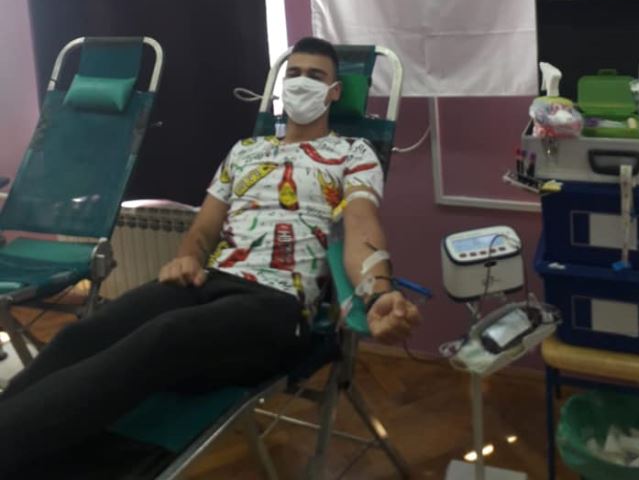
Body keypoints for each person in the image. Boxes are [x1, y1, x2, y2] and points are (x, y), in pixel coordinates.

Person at [0, 36, 421, 474]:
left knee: (162, 338)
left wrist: (378, 292)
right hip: (207, 282)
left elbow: (360, 225)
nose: (301, 83)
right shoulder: (246, 151)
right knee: (81, 336)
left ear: (334, 93)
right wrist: (187, 256)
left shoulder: (354, 153)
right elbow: (203, 228)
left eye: (315, 76)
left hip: (278, 305)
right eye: (293, 73)